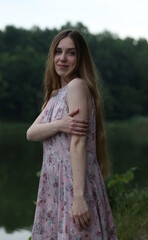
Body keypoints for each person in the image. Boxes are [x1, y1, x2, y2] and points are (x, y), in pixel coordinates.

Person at [27, 29, 118, 240]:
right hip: (55, 186)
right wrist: (60, 124)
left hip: (73, 184)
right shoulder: (56, 95)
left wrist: (79, 196)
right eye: (58, 52)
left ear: (80, 58)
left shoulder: (77, 86)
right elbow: (31, 133)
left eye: (71, 53)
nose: (62, 58)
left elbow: (78, 144)